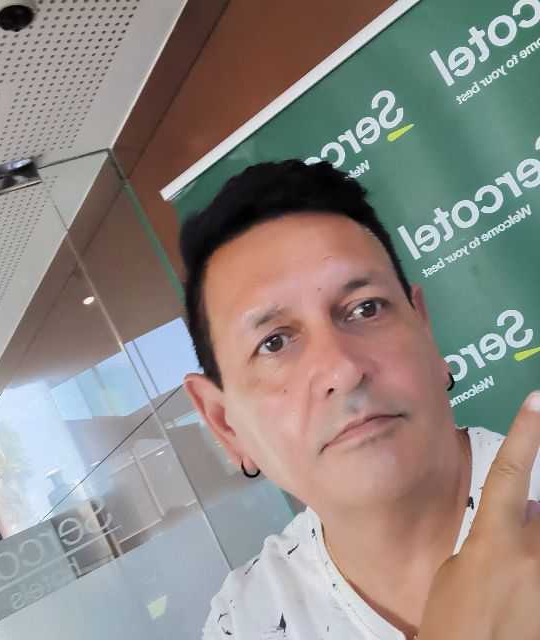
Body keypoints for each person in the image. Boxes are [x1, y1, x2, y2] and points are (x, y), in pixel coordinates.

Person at [179, 160, 540, 640]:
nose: (343, 371)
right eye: (274, 342)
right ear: (225, 424)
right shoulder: (244, 621)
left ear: (425, 331)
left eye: (366, 308)